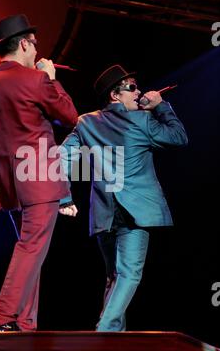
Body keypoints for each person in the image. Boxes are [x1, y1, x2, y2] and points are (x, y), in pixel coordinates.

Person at [0, 14, 78, 331]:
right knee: (31, 249)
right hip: (40, 183)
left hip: (8, 189)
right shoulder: (36, 80)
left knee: (30, 251)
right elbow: (69, 117)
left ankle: (25, 324)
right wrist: (50, 78)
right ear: (24, 43)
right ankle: (2, 316)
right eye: (34, 45)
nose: (37, 53)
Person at [59, 64, 188, 331]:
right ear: (115, 96)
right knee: (128, 274)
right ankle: (103, 332)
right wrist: (161, 106)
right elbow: (178, 137)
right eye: (132, 88)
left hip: (105, 213)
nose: (138, 92)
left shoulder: (86, 122)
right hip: (134, 212)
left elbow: (60, 159)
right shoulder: (142, 121)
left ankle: (113, 341)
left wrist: (64, 198)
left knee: (114, 277)